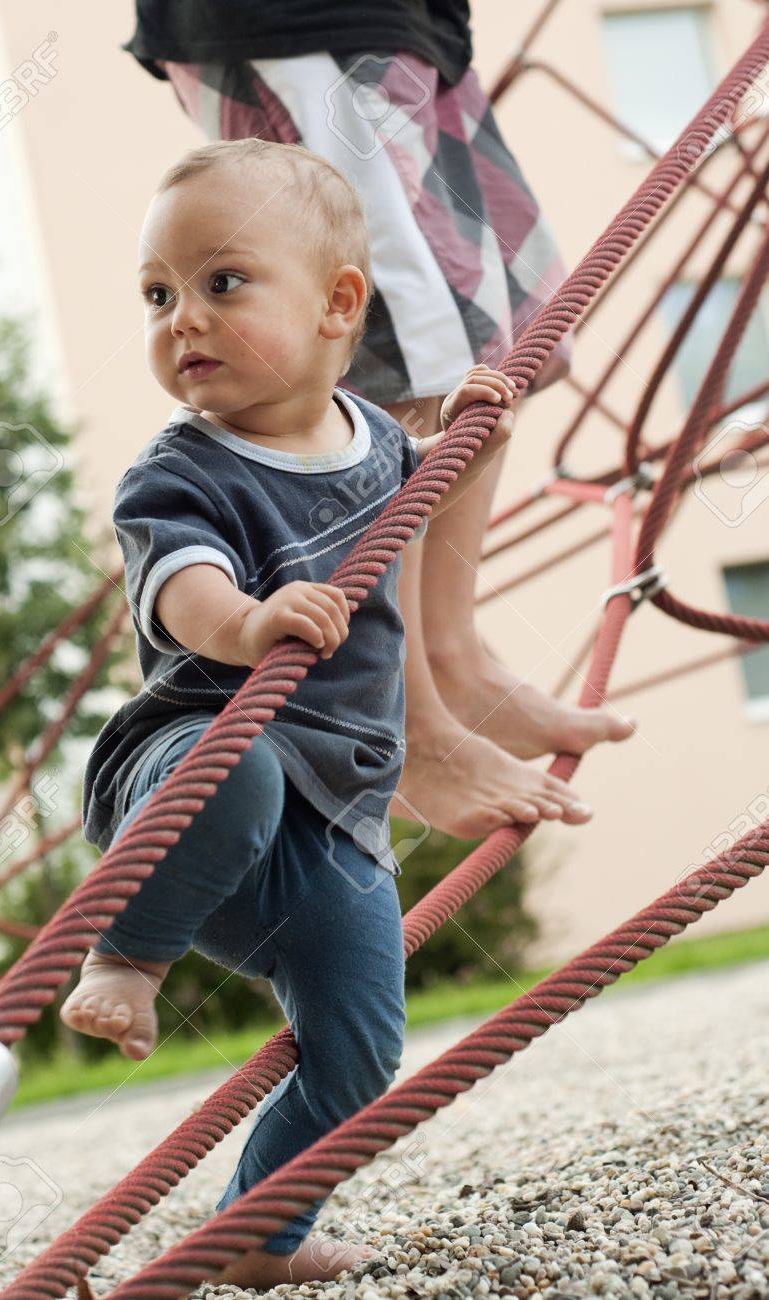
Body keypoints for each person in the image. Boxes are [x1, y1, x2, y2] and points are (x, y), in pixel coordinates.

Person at [63, 140, 597, 1287]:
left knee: (360, 1049)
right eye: (157, 295)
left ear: (335, 306)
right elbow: (181, 588)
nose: (180, 320)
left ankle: (261, 1225)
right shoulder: (180, 471)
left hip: (325, 824)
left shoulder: (379, 445)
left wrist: (472, 432)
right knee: (241, 760)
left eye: (221, 283)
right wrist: (250, 623)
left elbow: (418, 514)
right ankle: (126, 956)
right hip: (183, 775)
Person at [118, 0, 636, 844]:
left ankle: (452, 656)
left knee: (492, 324)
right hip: (302, 24)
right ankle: (412, 726)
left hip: (413, 23)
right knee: (397, 332)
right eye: (157, 298)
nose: (177, 319)